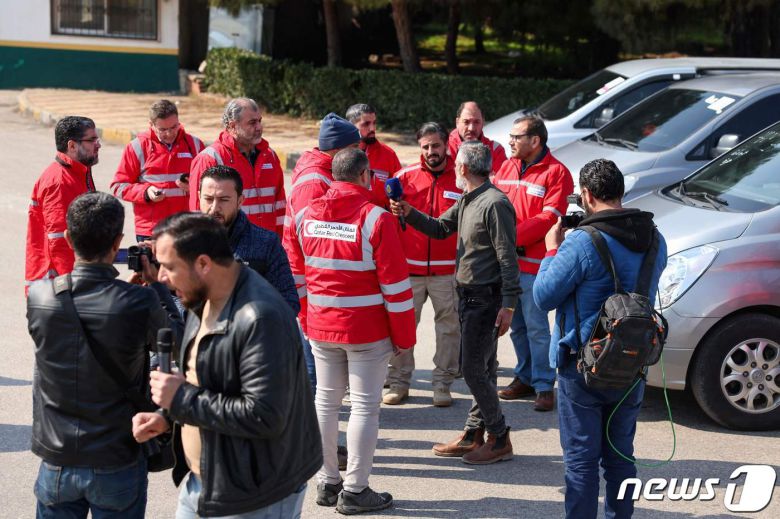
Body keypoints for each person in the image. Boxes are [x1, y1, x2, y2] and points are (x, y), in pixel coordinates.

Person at [131, 213, 321, 519]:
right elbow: (208, 377)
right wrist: (168, 415)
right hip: (207, 482)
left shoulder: (261, 318)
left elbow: (264, 415)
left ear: (204, 264)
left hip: (255, 496)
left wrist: (180, 399)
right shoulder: (202, 293)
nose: (161, 277)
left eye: (169, 267)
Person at [27, 192, 182, 518]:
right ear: (118, 243)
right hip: (117, 458)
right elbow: (178, 342)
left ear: (69, 238)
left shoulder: (41, 297)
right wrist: (156, 287)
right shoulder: (138, 303)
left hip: (57, 458)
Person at [533, 159, 667, 519]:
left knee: (581, 462)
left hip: (582, 365)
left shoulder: (581, 242)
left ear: (587, 196)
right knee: (621, 457)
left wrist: (551, 250)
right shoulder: (656, 238)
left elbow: (543, 296)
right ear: (621, 193)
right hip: (633, 362)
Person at [286, 148, 415, 514]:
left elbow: (296, 275)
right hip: (366, 331)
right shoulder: (376, 220)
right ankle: (356, 490)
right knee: (364, 408)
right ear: (365, 176)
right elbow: (396, 288)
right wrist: (404, 338)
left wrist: (307, 318)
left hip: (321, 327)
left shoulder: (305, 216)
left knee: (325, 404)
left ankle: (327, 483)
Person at [390, 141, 519, 465]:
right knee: (484, 369)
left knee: (473, 370)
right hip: (468, 297)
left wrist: (509, 304)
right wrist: (408, 211)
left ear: (462, 168)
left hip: (484, 300)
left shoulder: (494, 203)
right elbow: (439, 228)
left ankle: (499, 437)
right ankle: (473, 433)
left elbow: (507, 257)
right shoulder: (468, 199)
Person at [494, 116, 574, 412]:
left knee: (537, 328)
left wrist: (508, 237)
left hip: (534, 267)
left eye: (516, 136)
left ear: (535, 140)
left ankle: (543, 386)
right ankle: (525, 377)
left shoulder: (557, 173)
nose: (510, 141)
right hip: (507, 266)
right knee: (516, 326)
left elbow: (548, 219)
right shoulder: (506, 166)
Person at [383, 122, 461, 407]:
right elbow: (386, 224)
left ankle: (442, 384)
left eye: (436, 146)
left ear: (446, 145)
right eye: (426, 146)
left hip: (447, 271)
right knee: (402, 327)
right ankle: (400, 383)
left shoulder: (462, 180)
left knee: (450, 329)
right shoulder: (403, 178)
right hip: (408, 271)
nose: (431, 151)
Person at [283, 112, 361, 392]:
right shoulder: (315, 180)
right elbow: (310, 237)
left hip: (315, 273)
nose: (359, 154)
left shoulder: (325, 171)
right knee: (313, 347)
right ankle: (312, 419)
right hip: (310, 275)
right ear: (339, 149)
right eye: (355, 148)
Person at [198, 164, 299, 314]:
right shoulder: (183, 241)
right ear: (199, 196)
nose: (214, 208)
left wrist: (246, 319)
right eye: (208, 199)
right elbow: (170, 296)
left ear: (240, 201)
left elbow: (288, 301)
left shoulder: (266, 243)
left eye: (223, 200)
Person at [188, 98, 286, 236]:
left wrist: (281, 245)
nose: (259, 127)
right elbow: (199, 214)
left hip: (267, 248)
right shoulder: (209, 159)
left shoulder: (270, 156)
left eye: (259, 121)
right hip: (229, 250)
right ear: (233, 126)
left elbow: (280, 205)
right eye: (252, 122)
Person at [111, 99, 204, 242]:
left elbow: (212, 183)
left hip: (188, 227)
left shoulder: (195, 145)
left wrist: (195, 186)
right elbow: (118, 186)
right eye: (163, 129)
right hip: (151, 231)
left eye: (174, 127)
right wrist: (146, 193)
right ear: (151, 125)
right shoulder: (137, 147)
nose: (169, 133)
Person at [26, 116, 97, 291]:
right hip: (59, 286)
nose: (98, 144)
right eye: (92, 140)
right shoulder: (59, 182)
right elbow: (59, 242)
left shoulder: (79, 172)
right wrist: (79, 284)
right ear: (72, 146)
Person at [345, 103, 403, 206]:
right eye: (366, 124)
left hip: (381, 218)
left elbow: (401, 190)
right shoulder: (341, 154)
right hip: (351, 218)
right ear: (350, 126)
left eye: (374, 123)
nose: (372, 128)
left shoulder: (388, 154)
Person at [447, 101, 506, 174]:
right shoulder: (443, 147)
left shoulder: (496, 150)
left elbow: (501, 183)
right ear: (457, 122)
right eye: (466, 122)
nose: (471, 128)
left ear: (483, 123)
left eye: (476, 122)